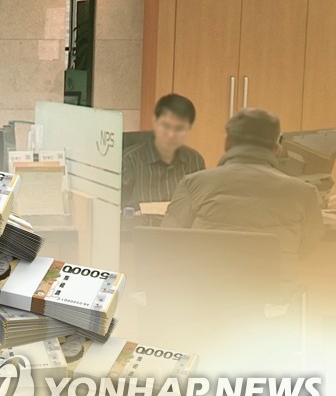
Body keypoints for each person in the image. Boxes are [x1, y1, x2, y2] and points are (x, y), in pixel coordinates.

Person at [163, 109, 324, 279]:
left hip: (206, 288)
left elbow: (169, 240)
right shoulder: (305, 192)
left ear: (227, 143)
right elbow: (307, 246)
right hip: (274, 291)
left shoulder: (192, 184)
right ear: (277, 149)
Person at [121, 94, 206, 212]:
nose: (171, 135)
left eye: (179, 128)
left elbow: (200, 208)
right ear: (155, 122)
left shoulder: (194, 161)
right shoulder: (130, 160)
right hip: (142, 224)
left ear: (189, 128)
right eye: (166, 126)